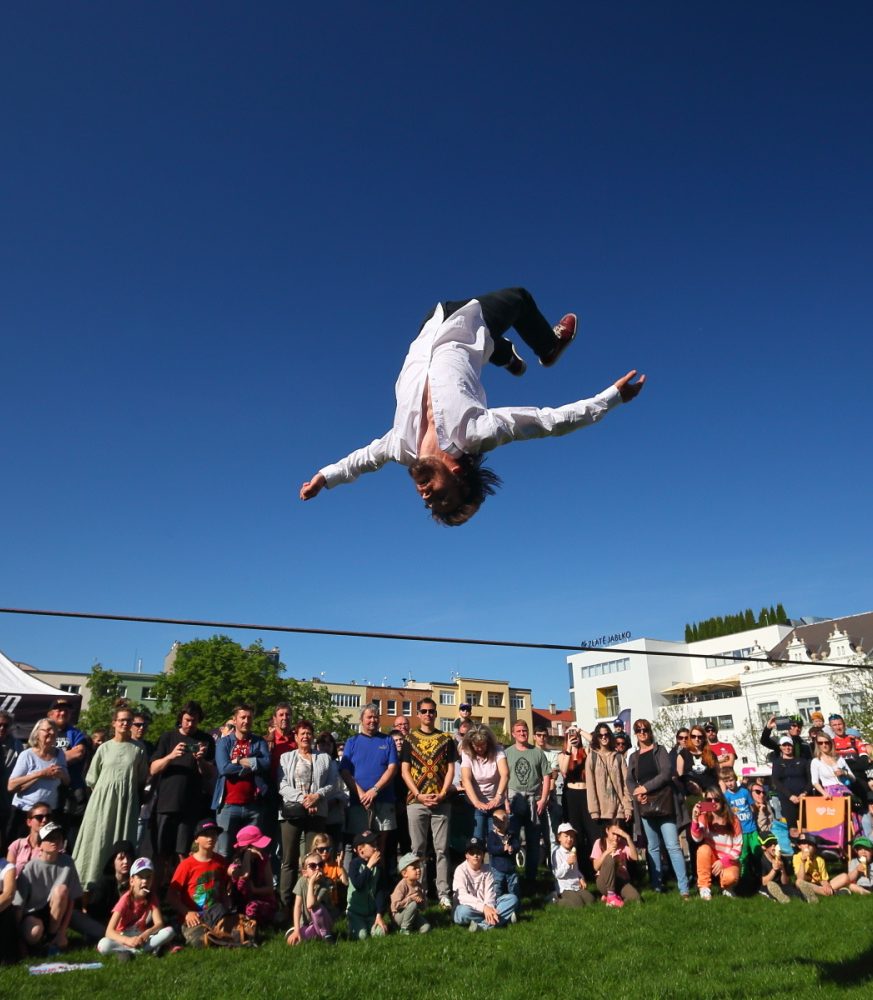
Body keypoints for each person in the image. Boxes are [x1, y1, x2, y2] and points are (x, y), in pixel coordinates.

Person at [299, 287, 645, 526]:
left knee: (481, 343)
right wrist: (610, 399)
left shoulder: (400, 447)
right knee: (519, 298)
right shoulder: (477, 432)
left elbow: (361, 460)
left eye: (428, 504)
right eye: (441, 499)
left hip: (432, 325)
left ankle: (503, 354)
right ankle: (548, 347)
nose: (425, 497)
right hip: (470, 323)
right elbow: (549, 422)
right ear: (459, 477)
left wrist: (325, 478)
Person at [72, 703, 148, 892]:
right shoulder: (104, 748)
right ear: (114, 723)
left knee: (121, 843)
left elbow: (140, 778)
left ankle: (119, 889)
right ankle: (87, 887)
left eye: (128, 721)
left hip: (126, 804)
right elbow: (92, 778)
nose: (125, 724)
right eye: (121, 720)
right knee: (97, 838)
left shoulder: (139, 749)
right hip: (101, 803)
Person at [149, 701, 216, 889]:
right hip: (166, 804)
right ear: (181, 719)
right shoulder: (168, 737)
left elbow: (211, 774)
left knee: (183, 854)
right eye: (187, 720)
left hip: (191, 806)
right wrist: (171, 756)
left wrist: (200, 759)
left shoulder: (206, 740)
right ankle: (156, 896)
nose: (190, 724)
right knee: (161, 853)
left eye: (194, 721)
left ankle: (181, 895)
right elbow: (153, 768)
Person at [278, 720, 341, 913]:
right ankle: (285, 904)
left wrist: (317, 796)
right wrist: (303, 800)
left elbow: (333, 784)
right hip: (292, 813)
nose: (305, 737)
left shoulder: (324, 758)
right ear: (295, 737)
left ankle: (309, 905)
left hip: (317, 813)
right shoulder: (286, 757)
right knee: (289, 860)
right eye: (302, 733)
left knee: (312, 860)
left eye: (308, 733)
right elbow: (281, 784)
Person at [400, 697, 458, 908]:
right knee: (418, 850)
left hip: (441, 802)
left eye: (431, 711)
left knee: (442, 849)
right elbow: (405, 770)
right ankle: (419, 893)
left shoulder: (446, 738)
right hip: (416, 802)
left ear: (436, 713)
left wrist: (443, 793)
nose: (427, 715)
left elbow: (451, 768)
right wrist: (417, 794)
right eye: (424, 711)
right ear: (418, 714)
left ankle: (443, 893)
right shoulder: (409, 739)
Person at [627, 718, 689, 898]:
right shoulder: (634, 757)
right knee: (652, 847)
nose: (642, 732)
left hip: (664, 803)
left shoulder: (659, 750)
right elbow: (629, 780)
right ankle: (657, 885)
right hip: (645, 805)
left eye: (645, 729)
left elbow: (666, 773)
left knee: (673, 846)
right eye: (638, 730)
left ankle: (683, 888)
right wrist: (638, 793)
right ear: (635, 734)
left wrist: (646, 788)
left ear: (650, 731)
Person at [14, 820, 82, 953]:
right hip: (32, 913)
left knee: (61, 890)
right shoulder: (29, 868)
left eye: (58, 838)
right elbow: (19, 906)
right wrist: (17, 938)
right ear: (40, 845)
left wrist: (62, 931)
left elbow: (71, 900)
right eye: (49, 838)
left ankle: (52, 938)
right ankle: (35, 943)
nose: (54, 841)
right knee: (33, 933)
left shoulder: (68, 862)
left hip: (56, 911)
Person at [212, 704, 271, 858]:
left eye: (249, 717)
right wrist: (250, 765)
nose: (246, 721)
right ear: (235, 719)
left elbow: (266, 763)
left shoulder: (259, 742)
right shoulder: (224, 743)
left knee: (251, 854)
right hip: (228, 806)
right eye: (242, 717)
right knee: (223, 853)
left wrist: (238, 761)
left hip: (253, 807)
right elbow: (224, 768)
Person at [339, 706, 398, 853]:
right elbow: (345, 771)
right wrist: (361, 793)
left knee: (380, 847)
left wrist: (374, 790)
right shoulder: (352, 742)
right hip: (359, 802)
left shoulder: (388, 740)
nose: (373, 720)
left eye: (376, 717)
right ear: (361, 720)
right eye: (369, 717)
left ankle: (380, 875)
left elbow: (392, 768)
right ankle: (360, 876)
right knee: (361, 846)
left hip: (384, 800)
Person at [96, 856, 175, 959]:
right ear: (132, 881)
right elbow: (109, 931)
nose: (145, 881)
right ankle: (144, 950)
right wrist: (128, 940)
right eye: (141, 877)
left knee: (169, 931)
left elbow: (159, 923)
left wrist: (147, 933)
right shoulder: (125, 899)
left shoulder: (152, 896)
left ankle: (131, 953)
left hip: (141, 937)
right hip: (123, 937)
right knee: (103, 945)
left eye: (148, 877)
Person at [505, 720, 551, 885]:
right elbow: (502, 778)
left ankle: (531, 877)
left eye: (524, 730)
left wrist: (543, 799)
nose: (522, 733)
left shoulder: (537, 753)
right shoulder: (507, 753)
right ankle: (511, 877)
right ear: (513, 734)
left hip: (533, 800)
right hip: (514, 799)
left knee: (533, 841)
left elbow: (547, 777)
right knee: (513, 839)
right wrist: (505, 800)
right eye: (518, 731)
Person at [7, 718, 69, 839]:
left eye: (54, 730)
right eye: (47, 730)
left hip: (49, 814)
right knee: (20, 850)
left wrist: (62, 774)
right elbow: (11, 785)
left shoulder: (59, 754)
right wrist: (40, 774)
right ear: (37, 734)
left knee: (43, 850)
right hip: (25, 812)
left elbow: (67, 781)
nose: (51, 733)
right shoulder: (27, 755)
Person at [167, 819, 230, 938]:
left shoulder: (221, 862)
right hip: (193, 916)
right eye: (206, 834)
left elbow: (222, 889)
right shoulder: (186, 865)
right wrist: (187, 913)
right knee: (199, 940)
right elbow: (171, 895)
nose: (210, 837)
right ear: (196, 839)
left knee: (225, 919)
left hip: (216, 912)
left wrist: (227, 905)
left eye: (213, 834)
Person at [46, 699, 90, 849]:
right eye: (58, 709)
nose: (63, 712)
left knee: (71, 834)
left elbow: (78, 753)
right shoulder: (45, 732)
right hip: (50, 791)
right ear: (50, 714)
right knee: (50, 831)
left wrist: (50, 759)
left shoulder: (75, 733)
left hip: (73, 791)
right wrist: (65, 755)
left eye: (66, 710)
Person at [452, 836, 518, 930]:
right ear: (466, 855)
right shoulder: (460, 870)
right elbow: (462, 896)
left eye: (478, 852)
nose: (475, 855)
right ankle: (502, 918)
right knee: (462, 912)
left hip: (486, 907)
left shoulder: (488, 870)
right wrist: (484, 908)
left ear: (483, 855)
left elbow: (490, 894)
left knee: (512, 899)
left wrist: (489, 909)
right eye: (472, 852)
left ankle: (482, 926)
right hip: (469, 908)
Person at [558, 724, 598, 876]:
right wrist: (569, 747)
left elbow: (596, 743)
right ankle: (580, 871)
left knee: (593, 831)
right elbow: (563, 769)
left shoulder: (586, 752)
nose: (574, 737)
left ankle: (595, 868)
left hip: (587, 793)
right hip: (571, 796)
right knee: (576, 834)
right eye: (570, 735)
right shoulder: (562, 755)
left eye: (575, 735)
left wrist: (580, 730)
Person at [689, 788, 742, 899]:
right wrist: (694, 819)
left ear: (722, 801)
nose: (713, 803)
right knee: (703, 849)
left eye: (716, 799)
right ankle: (704, 888)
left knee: (731, 877)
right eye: (709, 800)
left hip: (728, 859)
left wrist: (724, 861)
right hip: (712, 857)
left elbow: (738, 847)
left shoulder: (733, 820)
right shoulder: (704, 817)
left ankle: (727, 888)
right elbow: (697, 838)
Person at [459, 725, 509, 840]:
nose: (480, 749)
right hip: (475, 803)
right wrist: (476, 801)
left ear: (489, 742)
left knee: (496, 838)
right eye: (476, 746)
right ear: (470, 745)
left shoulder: (498, 750)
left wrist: (497, 797)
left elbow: (505, 774)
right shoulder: (466, 753)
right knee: (477, 839)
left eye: (483, 745)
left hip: (496, 802)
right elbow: (466, 779)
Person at [227, 824, 277, 927]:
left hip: (260, 901)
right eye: (258, 845)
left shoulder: (264, 859)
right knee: (242, 883)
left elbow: (270, 888)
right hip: (240, 903)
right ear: (247, 847)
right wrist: (247, 856)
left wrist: (254, 890)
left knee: (253, 906)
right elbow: (244, 875)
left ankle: (252, 923)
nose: (261, 848)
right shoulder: (235, 864)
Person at [585, 724, 632, 831]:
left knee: (620, 845)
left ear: (610, 736)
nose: (603, 737)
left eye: (606, 734)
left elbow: (626, 784)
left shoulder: (619, 757)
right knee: (604, 846)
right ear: (596, 737)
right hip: (601, 812)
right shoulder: (591, 757)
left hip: (619, 810)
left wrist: (628, 808)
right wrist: (594, 811)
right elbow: (590, 787)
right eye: (600, 735)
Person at [285, 849, 336, 944]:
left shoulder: (324, 884)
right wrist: (296, 930)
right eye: (313, 866)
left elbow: (310, 904)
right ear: (305, 873)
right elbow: (297, 906)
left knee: (317, 909)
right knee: (293, 941)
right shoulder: (301, 882)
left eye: (320, 865)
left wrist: (311, 882)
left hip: (324, 923)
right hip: (309, 924)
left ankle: (327, 935)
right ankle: (311, 934)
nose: (317, 868)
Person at [346, 830, 388, 940]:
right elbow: (358, 885)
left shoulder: (378, 867)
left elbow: (381, 891)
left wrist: (379, 914)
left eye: (376, 844)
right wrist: (369, 867)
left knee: (380, 934)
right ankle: (352, 925)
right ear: (361, 850)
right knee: (362, 936)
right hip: (356, 912)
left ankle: (371, 923)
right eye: (372, 845)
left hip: (371, 913)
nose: (376, 847)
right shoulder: (354, 864)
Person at [591, 823, 641, 907]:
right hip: (604, 882)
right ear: (607, 830)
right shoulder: (599, 842)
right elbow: (596, 867)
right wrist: (608, 851)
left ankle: (611, 898)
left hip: (620, 880)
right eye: (613, 834)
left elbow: (635, 857)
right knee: (610, 859)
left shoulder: (622, 843)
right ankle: (611, 895)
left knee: (636, 898)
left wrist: (628, 837)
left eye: (618, 835)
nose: (616, 837)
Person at [770, 736, 812, 835]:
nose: (787, 748)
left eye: (789, 745)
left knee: (805, 826)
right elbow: (776, 781)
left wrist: (805, 793)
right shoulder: (777, 763)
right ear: (780, 747)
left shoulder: (803, 761)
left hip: (803, 797)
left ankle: (807, 847)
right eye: (784, 745)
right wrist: (790, 796)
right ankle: (795, 846)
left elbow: (810, 779)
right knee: (793, 827)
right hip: (787, 798)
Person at [550, 822, 595, 907]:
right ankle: (556, 900)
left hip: (576, 886)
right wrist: (567, 863)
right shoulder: (556, 853)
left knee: (591, 899)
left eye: (571, 836)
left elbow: (576, 870)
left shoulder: (572, 852)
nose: (569, 839)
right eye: (566, 836)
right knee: (577, 904)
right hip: (565, 888)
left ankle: (576, 896)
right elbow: (557, 874)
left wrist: (581, 878)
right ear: (559, 838)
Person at [389, 852, 431, 934]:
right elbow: (394, 906)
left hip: (413, 914)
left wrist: (421, 901)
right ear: (405, 873)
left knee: (426, 928)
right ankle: (404, 928)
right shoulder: (401, 886)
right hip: (399, 916)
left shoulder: (419, 886)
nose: (418, 870)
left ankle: (411, 925)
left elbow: (422, 908)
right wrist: (410, 899)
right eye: (414, 868)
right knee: (413, 904)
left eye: (419, 867)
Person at [7, 803, 53, 874]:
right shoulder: (17, 845)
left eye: (48, 817)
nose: (44, 820)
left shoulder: (54, 847)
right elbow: (7, 874)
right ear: (29, 822)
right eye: (39, 817)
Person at [0, 710, 23, 852]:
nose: (2, 728)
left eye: (5, 725)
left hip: (7, 801)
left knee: (5, 839)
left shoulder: (17, 746)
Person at [486, 807, 520, 898]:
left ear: (507, 823)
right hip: (497, 868)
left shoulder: (511, 835)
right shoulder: (492, 836)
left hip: (511, 868)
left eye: (502, 822)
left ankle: (514, 906)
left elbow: (517, 845)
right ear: (493, 824)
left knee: (514, 888)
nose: (499, 825)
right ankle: (497, 906)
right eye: (496, 822)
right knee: (497, 888)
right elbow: (490, 849)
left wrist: (512, 848)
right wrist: (502, 848)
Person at [810, 733, 854, 799]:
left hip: (846, 792)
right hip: (830, 794)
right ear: (817, 745)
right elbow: (815, 782)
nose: (824, 745)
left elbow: (853, 778)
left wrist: (843, 772)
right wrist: (824, 793)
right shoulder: (816, 761)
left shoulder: (839, 759)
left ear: (831, 743)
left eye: (826, 742)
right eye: (820, 743)